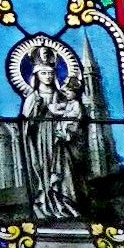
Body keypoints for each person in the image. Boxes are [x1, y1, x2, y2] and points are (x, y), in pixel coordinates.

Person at [20, 49, 83, 220]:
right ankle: (44, 203)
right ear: (36, 75)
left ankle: (63, 205)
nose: (47, 76)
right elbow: (26, 124)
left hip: (59, 142)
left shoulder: (63, 97)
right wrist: (40, 109)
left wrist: (65, 130)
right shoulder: (33, 97)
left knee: (62, 172)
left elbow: (74, 118)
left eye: (50, 73)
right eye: (43, 73)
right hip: (40, 141)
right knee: (43, 170)